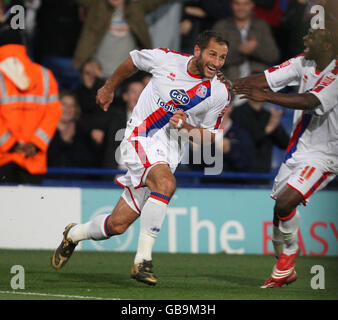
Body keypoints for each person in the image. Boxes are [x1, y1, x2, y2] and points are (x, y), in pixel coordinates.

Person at [51, 30, 231, 286]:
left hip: (169, 156)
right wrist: (109, 86)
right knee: (166, 185)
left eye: (223, 57)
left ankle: (73, 233)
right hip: (139, 137)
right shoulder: (166, 59)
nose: (217, 62)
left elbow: (208, 137)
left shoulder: (219, 93)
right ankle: (142, 261)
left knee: (116, 226)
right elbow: (133, 62)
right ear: (198, 51)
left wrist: (187, 129)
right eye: (212, 54)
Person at [233, 23, 338, 288]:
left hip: (327, 154)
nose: (305, 37)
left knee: (285, 202)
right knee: (280, 206)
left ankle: (288, 257)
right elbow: (264, 79)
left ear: (327, 45)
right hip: (298, 150)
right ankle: (285, 263)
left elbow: (310, 101)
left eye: (312, 35)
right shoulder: (302, 62)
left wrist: (267, 97)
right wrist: (223, 88)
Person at [0, 26, 62, 184]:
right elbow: (53, 113)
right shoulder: (44, 75)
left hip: (4, 157)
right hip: (33, 159)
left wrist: (11, 145)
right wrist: (35, 144)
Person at [72, 0, 164, 79]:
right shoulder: (97, 6)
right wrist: (86, 63)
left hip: (129, 76)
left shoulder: (136, 8)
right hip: (97, 73)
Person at [212, 0, 280, 106]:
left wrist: (255, 49)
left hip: (257, 86)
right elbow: (211, 60)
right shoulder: (221, 26)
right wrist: (239, 51)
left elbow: (273, 55)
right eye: (237, 4)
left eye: (246, 4)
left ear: (252, 5)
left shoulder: (261, 26)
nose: (241, 8)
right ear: (232, 5)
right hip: (229, 83)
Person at [230, 99, 289, 173]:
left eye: (266, 88)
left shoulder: (268, 116)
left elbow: (284, 144)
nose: (263, 90)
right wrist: (267, 130)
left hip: (263, 173)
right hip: (239, 174)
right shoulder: (236, 113)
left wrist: (276, 127)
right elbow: (242, 142)